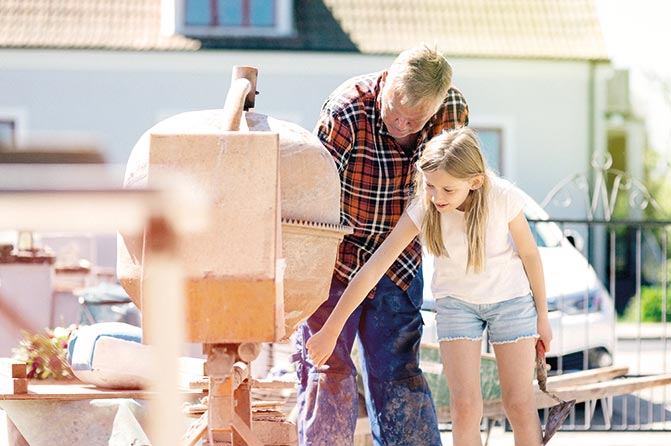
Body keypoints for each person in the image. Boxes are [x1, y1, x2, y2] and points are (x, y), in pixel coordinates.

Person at [307, 127, 553, 446]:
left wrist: (543, 317)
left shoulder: (502, 197)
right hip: (457, 305)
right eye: (431, 186)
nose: (437, 197)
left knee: (518, 404)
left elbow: (531, 255)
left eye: (448, 190)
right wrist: (331, 329)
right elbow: (374, 267)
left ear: (475, 182)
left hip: (511, 302)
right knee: (465, 407)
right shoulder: (426, 207)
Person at [294, 45, 468, 446]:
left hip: (400, 260)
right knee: (328, 372)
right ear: (386, 82)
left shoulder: (451, 110)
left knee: (399, 372)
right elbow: (314, 197)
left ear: (437, 105)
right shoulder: (346, 111)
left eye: (415, 119)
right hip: (337, 257)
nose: (403, 125)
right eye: (395, 112)